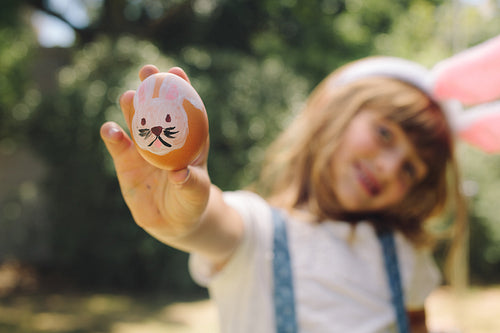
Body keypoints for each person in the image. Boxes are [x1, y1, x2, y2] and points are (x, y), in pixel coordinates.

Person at [100, 58, 467, 333]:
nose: (389, 167)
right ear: (335, 113)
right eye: (385, 134)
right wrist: (184, 216)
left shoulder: (404, 255)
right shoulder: (258, 232)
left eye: (410, 169)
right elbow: (215, 223)